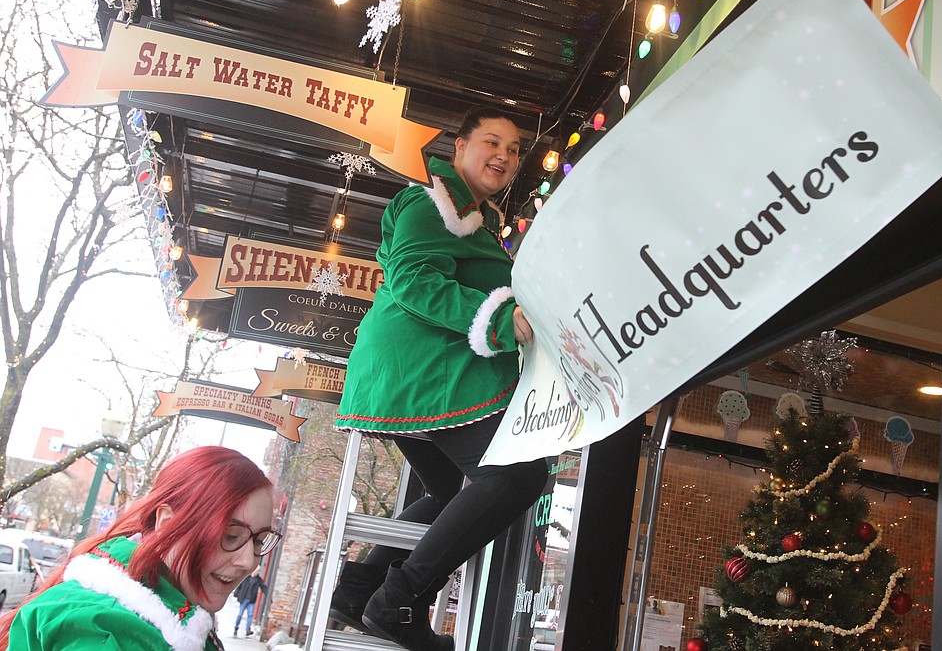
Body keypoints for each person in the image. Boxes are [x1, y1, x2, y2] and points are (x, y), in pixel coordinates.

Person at [332, 105, 550, 651]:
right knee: (519, 474)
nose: (504, 155)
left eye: (515, 149)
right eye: (492, 142)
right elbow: (413, 281)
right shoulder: (428, 202)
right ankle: (400, 600)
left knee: (448, 487)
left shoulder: (479, 218)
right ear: (458, 147)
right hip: (421, 370)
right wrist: (501, 320)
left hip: (423, 371)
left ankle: (360, 589)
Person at [0, 446, 281, 651]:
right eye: (231, 535)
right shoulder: (101, 629)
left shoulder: (175, 615)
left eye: (258, 541)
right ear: (167, 523)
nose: (248, 562)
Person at [232, 566, 268, 637]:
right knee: (240, 614)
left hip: (251, 600)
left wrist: (269, 597)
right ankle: (236, 627)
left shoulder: (258, 580)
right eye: (257, 571)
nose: (258, 572)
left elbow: (264, 587)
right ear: (254, 570)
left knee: (250, 615)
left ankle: (248, 630)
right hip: (244, 598)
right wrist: (236, 593)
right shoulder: (246, 578)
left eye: (259, 571)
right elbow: (240, 585)